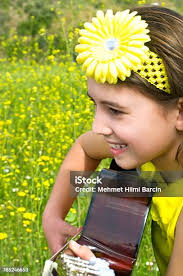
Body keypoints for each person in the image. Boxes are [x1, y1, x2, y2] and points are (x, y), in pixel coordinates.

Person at [42, 5, 183, 276]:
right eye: (94, 104)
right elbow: (85, 146)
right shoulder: (151, 149)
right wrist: (53, 215)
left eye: (115, 111)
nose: (98, 127)